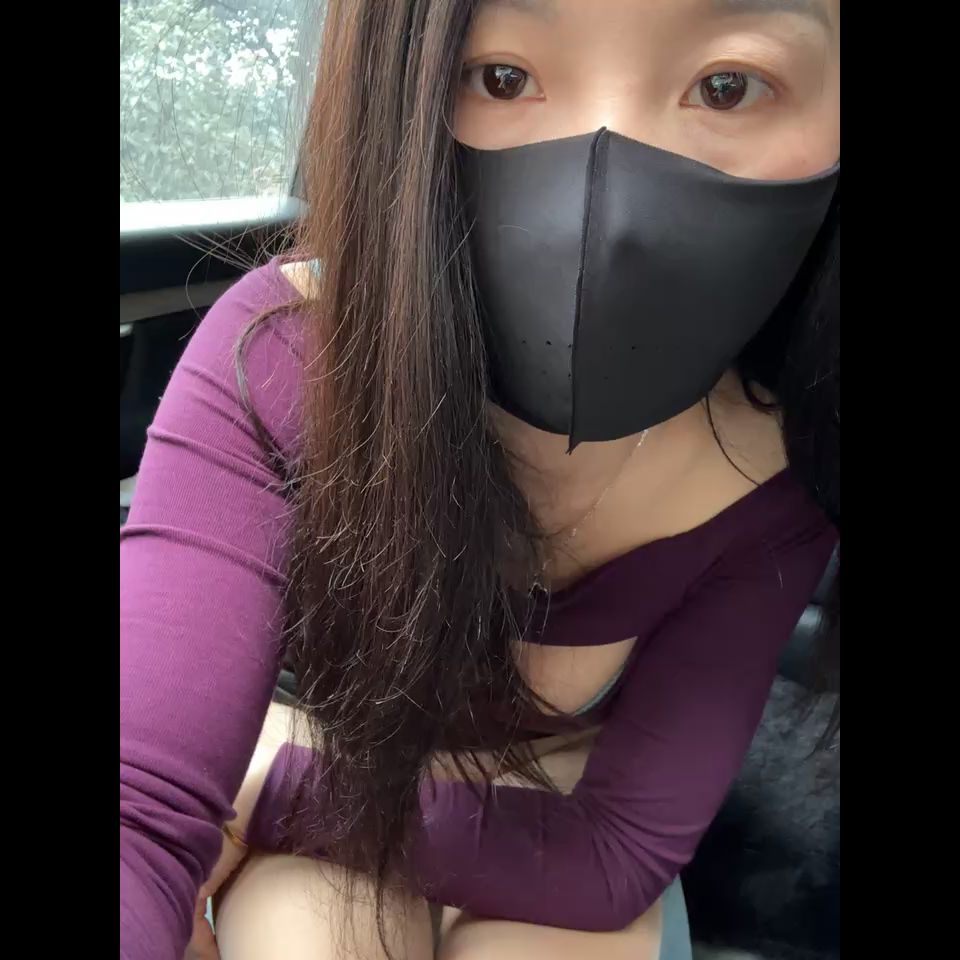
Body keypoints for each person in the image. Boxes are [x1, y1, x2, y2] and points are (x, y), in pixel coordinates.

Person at [119, 1, 841, 958]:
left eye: (728, 86)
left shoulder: (776, 477)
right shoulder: (282, 353)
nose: (609, 206)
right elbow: (139, 804)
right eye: (501, 77)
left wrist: (267, 798)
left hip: (546, 805)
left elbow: (615, 847)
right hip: (321, 740)